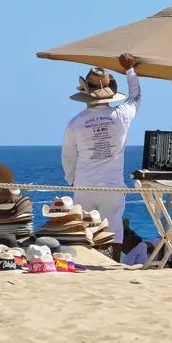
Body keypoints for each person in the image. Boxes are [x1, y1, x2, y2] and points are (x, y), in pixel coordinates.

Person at [62, 53, 141, 261]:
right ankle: (112, 265)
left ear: (85, 92)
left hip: (84, 185)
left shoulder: (75, 123)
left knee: (85, 231)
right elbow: (136, 97)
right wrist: (130, 70)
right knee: (114, 229)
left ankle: (87, 266)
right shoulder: (121, 116)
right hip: (111, 186)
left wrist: (72, 181)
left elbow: (68, 159)